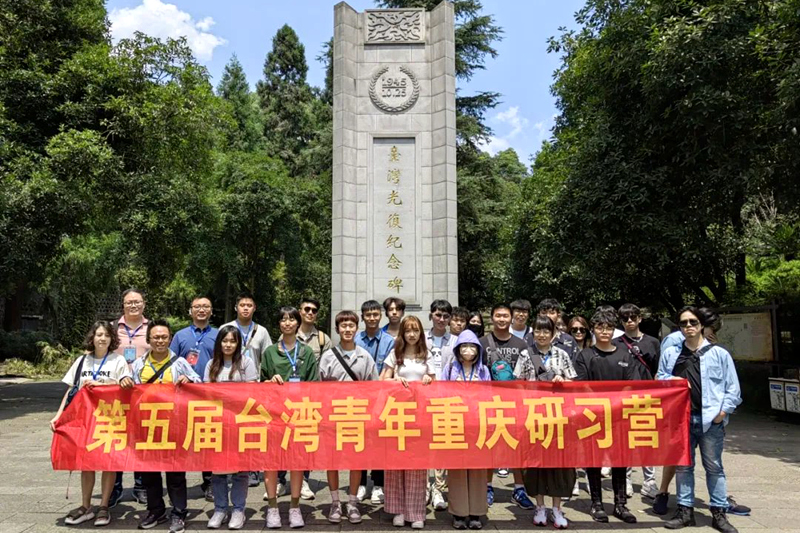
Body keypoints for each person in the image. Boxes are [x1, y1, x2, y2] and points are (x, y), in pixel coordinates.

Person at [657, 306, 742, 533]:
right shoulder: (671, 353)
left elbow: (732, 388)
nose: (688, 326)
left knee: (714, 467)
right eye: (683, 323)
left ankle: (719, 513)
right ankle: (685, 511)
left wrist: (722, 413)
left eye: (693, 322)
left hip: (710, 420)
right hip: (680, 419)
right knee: (683, 467)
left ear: (701, 324)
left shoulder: (719, 354)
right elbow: (660, 379)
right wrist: (675, 380)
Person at [52, 321, 133, 527]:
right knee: (86, 463)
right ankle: (86, 506)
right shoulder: (82, 361)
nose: (102, 338)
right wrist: (59, 415)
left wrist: (103, 385)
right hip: (84, 420)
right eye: (98, 334)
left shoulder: (118, 360)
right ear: (92, 337)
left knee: (108, 463)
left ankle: (104, 506)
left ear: (112, 339)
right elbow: (71, 390)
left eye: (106, 335)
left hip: (109, 419)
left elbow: (125, 387)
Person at [574, 308, 646, 524]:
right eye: (600, 327)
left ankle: (620, 504)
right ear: (593, 330)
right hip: (593, 417)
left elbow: (632, 385)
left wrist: (616, 405)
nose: (604, 332)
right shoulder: (585, 356)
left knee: (620, 461)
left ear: (614, 330)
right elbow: (581, 386)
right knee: (593, 461)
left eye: (608, 328)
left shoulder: (625, 355)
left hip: (619, 417)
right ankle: (596, 503)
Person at [131, 319, 202, 533]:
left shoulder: (179, 363)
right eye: (156, 337)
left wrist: (189, 381)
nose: (160, 341)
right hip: (147, 426)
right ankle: (156, 511)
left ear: (170, 339)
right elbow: (130, 390)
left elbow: (199, 383)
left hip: (174, 425)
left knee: (175, 473)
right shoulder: (139, 364)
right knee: (149, 472)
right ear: (149, 339)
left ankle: (179, 512)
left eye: (164, 337)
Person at [260, 306, 319, 529]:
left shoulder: (306, 352)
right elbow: (260, 384)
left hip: (299, 413)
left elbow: (314, 385)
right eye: (283, 319)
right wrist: (269, 382)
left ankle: (295, 507)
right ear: (278, 324)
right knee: (271, 463)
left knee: (297, 462)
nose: (287, 323)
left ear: (298, 322)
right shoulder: (269, 352)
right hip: (274, 415)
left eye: (291, 319)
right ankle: (272, 507)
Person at [319, 310, 379, 524]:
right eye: (343, 326)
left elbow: (374, 387)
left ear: (356, 328)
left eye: (351, 325)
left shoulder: (365, 356)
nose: (347, 329)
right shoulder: (328, 356)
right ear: (337, 329)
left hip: (358, 417)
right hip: (333, 417)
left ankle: (352, 502)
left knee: (356, 460)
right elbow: (318, 389)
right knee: (332, 460)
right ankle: (335, 502)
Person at [380, 316, 435, 529]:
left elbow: (437, 382)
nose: (412, 335)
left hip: (420, 416)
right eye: (408, 331)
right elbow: (382, 380)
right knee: (396, 462)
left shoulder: (427, 355)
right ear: (402, 333)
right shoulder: (395, 354)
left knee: (417, 464)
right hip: (397, 415)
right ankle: (398, 510)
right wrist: (395, 380)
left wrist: (429, 380)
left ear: (421, 333)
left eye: (415, 330)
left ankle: (416, 511)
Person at [479, 304, 536, 510]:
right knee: (489, 445)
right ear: (492, 318)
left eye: (505, 316)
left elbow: (531, 371)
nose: (502, 319)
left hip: (516, 403)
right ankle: (487, 487)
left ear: (511, 318)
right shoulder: (482, 343)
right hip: (489, 403)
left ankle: (519, 489)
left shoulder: (521, 344)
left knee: (517, 446)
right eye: (498, 315)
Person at [523, 316, 576, 530]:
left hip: (558, 417)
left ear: (554, 334)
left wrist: (563, 381)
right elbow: (517, 384)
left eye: (546, 331)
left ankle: (557, 508)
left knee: (558, 463)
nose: (542, 335)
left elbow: (573, 382)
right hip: (534, 416)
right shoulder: (526, 354)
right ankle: (540, 506)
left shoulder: (562, 354)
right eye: (538, 330)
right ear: (533, 332)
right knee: (536, 463)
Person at [204, 325, 259, 530]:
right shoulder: (211, 364)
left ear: (238, 344)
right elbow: (205, 393)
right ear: (219, 343)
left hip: (239, 423)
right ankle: (220, 509)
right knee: (217, 471)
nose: (228, 345)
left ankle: (238, 509)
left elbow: (253, 391)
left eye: (232, 341)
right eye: (224, 341)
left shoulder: (246, 363)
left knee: (240, 471)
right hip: (217, 423)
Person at [221, 291, 273, 488]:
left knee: (251, 429)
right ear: (236, 307)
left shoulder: (262, 331)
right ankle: (231, 466)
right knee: (230, 429)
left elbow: (267, 357)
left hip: (253, 386)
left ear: (254, 308)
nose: (245, 308)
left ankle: (252, 468)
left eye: (249, 305)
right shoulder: (226, 328)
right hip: (229, 387)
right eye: (242, 305)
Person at [170, 296, 219, 500]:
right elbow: (171, 361)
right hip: (183, 395)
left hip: (209, 394)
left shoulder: (218, 334)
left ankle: (209, 482)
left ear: (211, 311)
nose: (201, 310)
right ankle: (178, 483)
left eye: (205, 306)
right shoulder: (180, 335)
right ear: (190, 310)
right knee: (182, 437)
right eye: (197, 306)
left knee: (207, 438)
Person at [440, 330, 490, 530]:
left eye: (472, 347)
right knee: (457, 469)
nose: (468, 350)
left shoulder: (484, 370)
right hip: (456, 423)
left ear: (478, 350)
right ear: (457, 349)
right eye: (464, 346)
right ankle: (459, 513)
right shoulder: (450, 369)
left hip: (478, 425)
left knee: (478, 469)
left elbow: (490, 395)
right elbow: (441, 393)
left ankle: (476, 513)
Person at [613, 303, 661, 499]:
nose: (630, 321)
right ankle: (626, 479)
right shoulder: (616, 343)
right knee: (625, 439)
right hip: (624, 398)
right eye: (625, 318)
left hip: (647, 397)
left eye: (633, 317)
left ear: (640, 318)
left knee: (646, 438)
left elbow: (658, 370)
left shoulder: (653, 342)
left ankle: (649, 481)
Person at [111, 288, 150, 506]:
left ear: (144, 304)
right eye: (129, 302)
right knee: (116, 440)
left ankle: (141, 486)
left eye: (137, 301)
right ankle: (114, 488)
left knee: (141, 439)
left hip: (144, 392)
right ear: (123, 305)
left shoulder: (152, 328)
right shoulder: (112, 328)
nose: (133, 305)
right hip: (116, 393)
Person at [355, 300, 395, 503]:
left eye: (375, 314)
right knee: (360, 440)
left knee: (380, 440)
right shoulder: (355, 339)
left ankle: (379, 483)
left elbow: (391, 368)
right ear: (362, 317)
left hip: (382, 397)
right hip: (359, 399)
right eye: (368, 315)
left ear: (381, 316)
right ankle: (361, 482)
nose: (372, 318)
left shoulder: (389, 341)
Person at [426, 299, 456, 511]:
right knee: (423, 441)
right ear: (431, 315)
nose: (441, 319)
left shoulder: (455, 341)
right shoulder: (421, 338)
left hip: (446, 398)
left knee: (441, 443)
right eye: (438, 315)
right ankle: (424, 486)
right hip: (423, 397)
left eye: (446, 316)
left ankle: (438, 487)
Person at [295, 297, 332, 362]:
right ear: (299, 312)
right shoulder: (288, 336)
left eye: (314, 311)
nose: (310, 313)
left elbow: (328, 365)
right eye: (307, 309)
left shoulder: (324, 340)